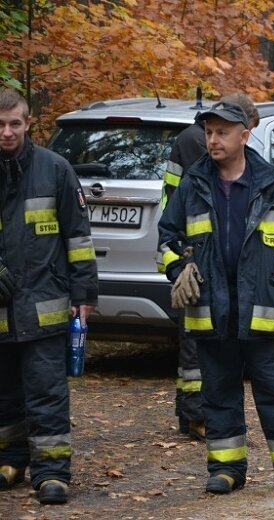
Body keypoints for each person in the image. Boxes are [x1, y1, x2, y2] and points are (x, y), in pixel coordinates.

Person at [157, 101, 274, 494]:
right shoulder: (194, 183)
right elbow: (167, 236)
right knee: (218, 392)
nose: (213, 140)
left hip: (259, 311)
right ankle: (226, 469)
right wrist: (178, 268)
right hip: (211, 311)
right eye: (209, 132)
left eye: (222, 132)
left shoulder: (272, 182)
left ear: (244, 135)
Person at [0, 88, 98, 504]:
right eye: (0, 125)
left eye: (15, 124)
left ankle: (53, 473)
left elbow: (78, 238)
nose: (7, 132)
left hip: (47, 304)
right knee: (4, 391)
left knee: (47, 391)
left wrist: (85, 294)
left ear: (28, 123)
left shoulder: (55, 170)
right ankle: (10, 460)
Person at [160, 93, 260, 442]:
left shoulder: (185, 138)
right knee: (199, 342)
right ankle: (199, 415)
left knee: (191, 337)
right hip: (202, 255)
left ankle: (189, 414)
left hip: (186, 248)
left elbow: (168, 196)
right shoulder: (200, 145)